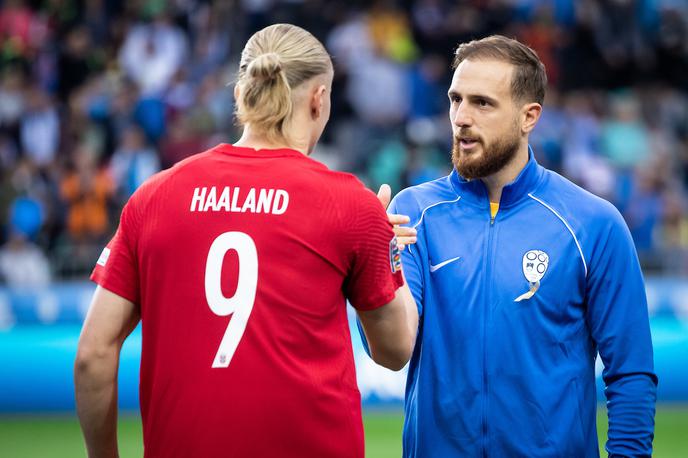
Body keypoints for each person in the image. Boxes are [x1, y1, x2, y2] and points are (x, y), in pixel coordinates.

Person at [74, 23, 418, 458]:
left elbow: (92, 354)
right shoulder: (351, 204)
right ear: (319, 99)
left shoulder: (155, 196)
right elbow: (395, 350)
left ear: (241, 94)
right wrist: (389, 246)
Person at [383, 35, 657, 457]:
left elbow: (631, 372)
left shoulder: (594, 223)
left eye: (482, 103)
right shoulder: (413, 213)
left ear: (529, 117)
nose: (460, 117)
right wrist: (377, 265)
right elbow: (391, 351)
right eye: (456, 99)